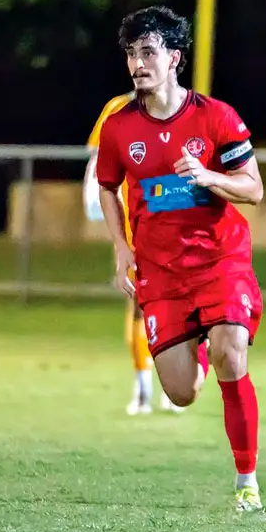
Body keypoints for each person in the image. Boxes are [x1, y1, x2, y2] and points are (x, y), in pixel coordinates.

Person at [95, 5, 265, 512]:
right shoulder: (118, 128)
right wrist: (122, 248)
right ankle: (203, 342)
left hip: (220, 261)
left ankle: (247, 483)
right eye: (131, 53)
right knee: (182, 392)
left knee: (231, 351)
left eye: (148, 51)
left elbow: (253, 189)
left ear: (174, 59)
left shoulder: (217, 117)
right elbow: (108, 188)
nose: (137, 63)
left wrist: (210, 178)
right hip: (161, 271)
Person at [83, 92, 206, 415]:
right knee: (142, 305)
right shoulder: (119, 108)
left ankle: (169, 385)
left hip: (172, 220)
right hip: (139, 224)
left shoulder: (186, 109)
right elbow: (99, 165)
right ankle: (144, 389)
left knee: (176, 305)